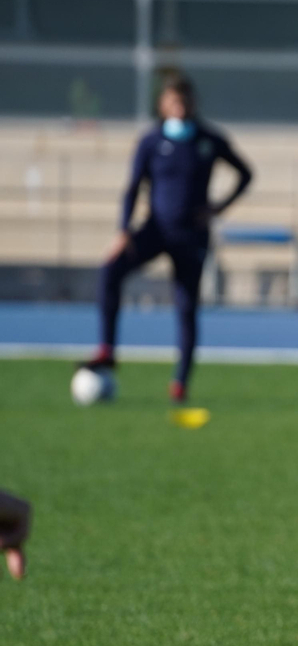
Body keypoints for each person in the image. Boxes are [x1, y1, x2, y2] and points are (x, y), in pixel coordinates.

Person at [84, 73, 253, 402]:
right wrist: (123, 231)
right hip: (155, 229)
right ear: (162, 105)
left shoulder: (208, 140)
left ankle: (181, 382)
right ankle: (107, 349)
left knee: (186, 306)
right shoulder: (150, 142)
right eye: (173, 100)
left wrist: (219, 207)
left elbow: (246, 174)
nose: (180, 106)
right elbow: (132, 188)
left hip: (191, 235)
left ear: (193, 102)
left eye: (185, 100)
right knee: (110, 271)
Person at [1, 489, 30, 580]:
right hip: (18, 514)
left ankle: (19, 578)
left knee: (13, 547)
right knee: (14, 547)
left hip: (17, 518)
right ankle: (19, 578)